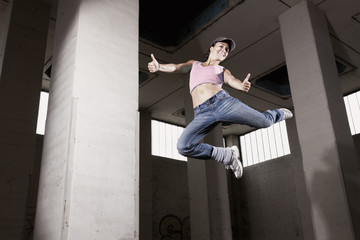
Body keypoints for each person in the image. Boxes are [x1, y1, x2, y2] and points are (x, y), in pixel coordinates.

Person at [148, 37, 293, 179]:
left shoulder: (222, 69)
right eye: (221, 46)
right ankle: (226, 155)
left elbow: (231, 80)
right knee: (183, 146)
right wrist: (159, 66)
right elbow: (177, 67)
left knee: (265, 122)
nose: (224, 50)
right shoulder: (195, 64)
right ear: (211, 47)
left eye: (227, 50)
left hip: (223, 104)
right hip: (202, 113)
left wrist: (241, 85)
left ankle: (277, 114)